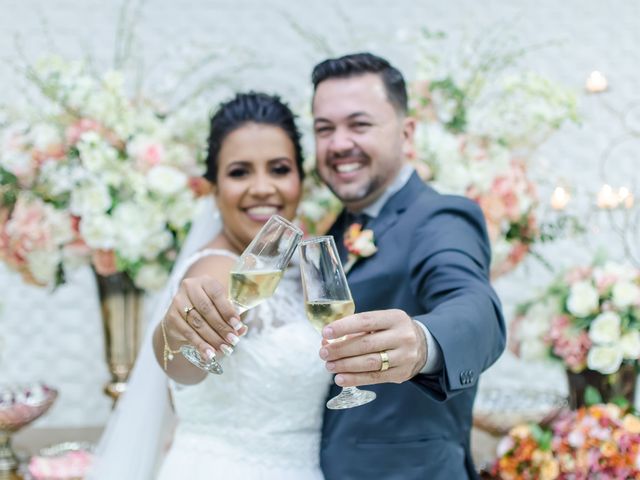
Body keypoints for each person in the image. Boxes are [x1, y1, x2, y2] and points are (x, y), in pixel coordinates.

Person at [88, 92, 330, 480]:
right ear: (213, 188)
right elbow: (183, 363)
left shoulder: (302, 268)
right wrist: (177, 331)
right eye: (239, 172)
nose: (263, 187)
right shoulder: (216, 267)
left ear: (300, 179)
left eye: (279, 169)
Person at [310, 53, 505, 479]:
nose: (339, 143)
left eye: (359, 124)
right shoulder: (334, 231)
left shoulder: (440, 218)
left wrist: (423, 341)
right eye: (324, 129)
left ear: (407, 131)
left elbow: (475, 306)